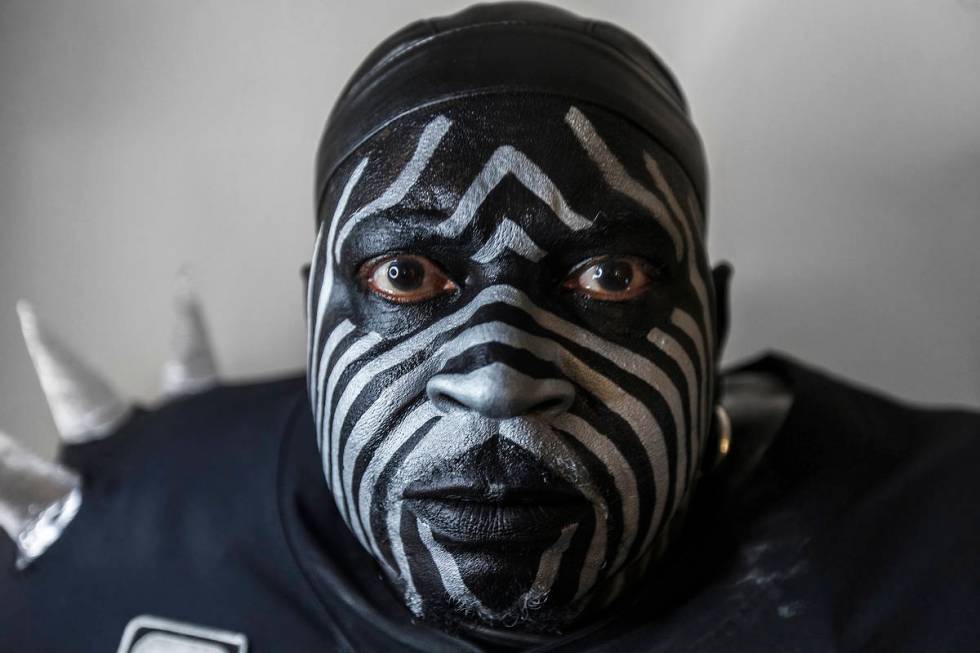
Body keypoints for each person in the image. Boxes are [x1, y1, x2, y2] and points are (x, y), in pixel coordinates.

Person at [1, 3, 977, 651]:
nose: (499, 382)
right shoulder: (120, 544)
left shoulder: (933, 544)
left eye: (607, 274)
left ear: (707, 323)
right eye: (406, 273)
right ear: (314, 316)